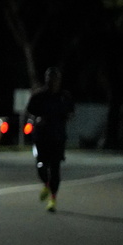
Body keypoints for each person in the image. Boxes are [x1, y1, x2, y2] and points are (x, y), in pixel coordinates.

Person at [26, 67, 74, 212]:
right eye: (49, 78)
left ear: (59, 80)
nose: (51, 81)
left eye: (54, 79)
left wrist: (67, 116)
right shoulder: (38, 96)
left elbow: (71, 112)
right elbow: (29, 113)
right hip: (41, 137)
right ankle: (46, 184)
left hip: (58, 138)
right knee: (41, 165)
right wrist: (36, 119)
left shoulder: (65, 96)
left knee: (55, 168)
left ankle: (52, 199)